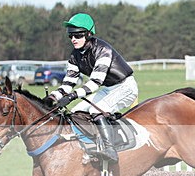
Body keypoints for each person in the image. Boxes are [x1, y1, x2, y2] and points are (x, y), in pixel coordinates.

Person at [44, 13, 139, 163]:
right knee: (76, 112)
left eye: (78, 35)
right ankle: (89, 145)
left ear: (88, 34)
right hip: (108, 89)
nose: (73, 39)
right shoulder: (74, 56)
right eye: (70, 36)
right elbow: (68, 83)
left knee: (96, 109)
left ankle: (110, 149)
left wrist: (71, 97)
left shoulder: (103, 50)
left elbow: (95, 82)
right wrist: (52, 98)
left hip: (125, 87)